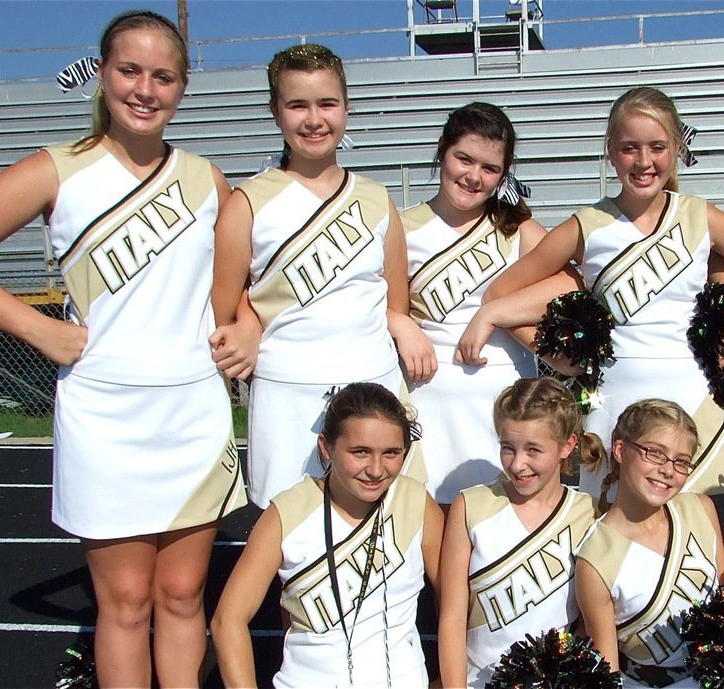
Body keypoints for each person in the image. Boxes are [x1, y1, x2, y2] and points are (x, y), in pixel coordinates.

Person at [0, 11, 246, 687]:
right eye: (129, 71)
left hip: (193, 410)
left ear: (183, 87)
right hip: (105, 414)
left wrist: (246, 325)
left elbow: (238, 285)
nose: (145, 88)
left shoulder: (207, 178)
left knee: (183, 596)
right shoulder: (58, 169)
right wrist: (35, 326)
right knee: (128, 602)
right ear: (102, 73)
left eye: (162, 76)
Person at [461, 86, 724, 503]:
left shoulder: (700, 215)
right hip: (613, 399)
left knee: (693, 534)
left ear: (676, 148)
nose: (644, 162)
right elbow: (502, 291)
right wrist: (557, 357)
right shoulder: (586, 225)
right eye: (629, 148)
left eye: (657, 147)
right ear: (610, 150)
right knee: (610, 533)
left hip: (691, 395)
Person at [210, 44, 410, 508]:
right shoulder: (247, 202)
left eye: (327, 103)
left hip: (373, 390)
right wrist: (249, 320)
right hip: (286, 393)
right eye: (297, 104)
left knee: (379, 530)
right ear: (275, 112)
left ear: (346, 107)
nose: (314, 119)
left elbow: (393, 303)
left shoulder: (377, 199)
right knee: (288, 535)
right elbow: (225, 304)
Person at [394, 102, 577, 505]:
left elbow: (574, 283)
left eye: (490, 168)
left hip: (507, 411)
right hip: (428, 403)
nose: (474, 176)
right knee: (435, 528)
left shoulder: (519, 229)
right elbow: (377, 304)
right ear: (442, 150)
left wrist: (495, 313)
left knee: (504, 526)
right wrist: (400, 322)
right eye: (464, 159)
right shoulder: (401, 229)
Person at [211, 382, 443, 688]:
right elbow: (228, 620)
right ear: (326, 446)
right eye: (360, 452)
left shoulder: (415, 503)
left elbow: (458, 603)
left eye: (391, 453)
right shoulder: (287, 513)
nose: (376, 469)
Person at [436, 377, 601, 688]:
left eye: (534, 450)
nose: (518, 464)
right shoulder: (470, 506)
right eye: (507, 448)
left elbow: (592, 621)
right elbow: (452, 618)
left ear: (568, 445)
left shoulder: (588, 513)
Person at [575, 399, 724, 688]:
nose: (668, 470)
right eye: (655, 453)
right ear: (620, 450)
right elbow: (606, 673)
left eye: (681, 461)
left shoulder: (700, 508)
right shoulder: (596, 557)